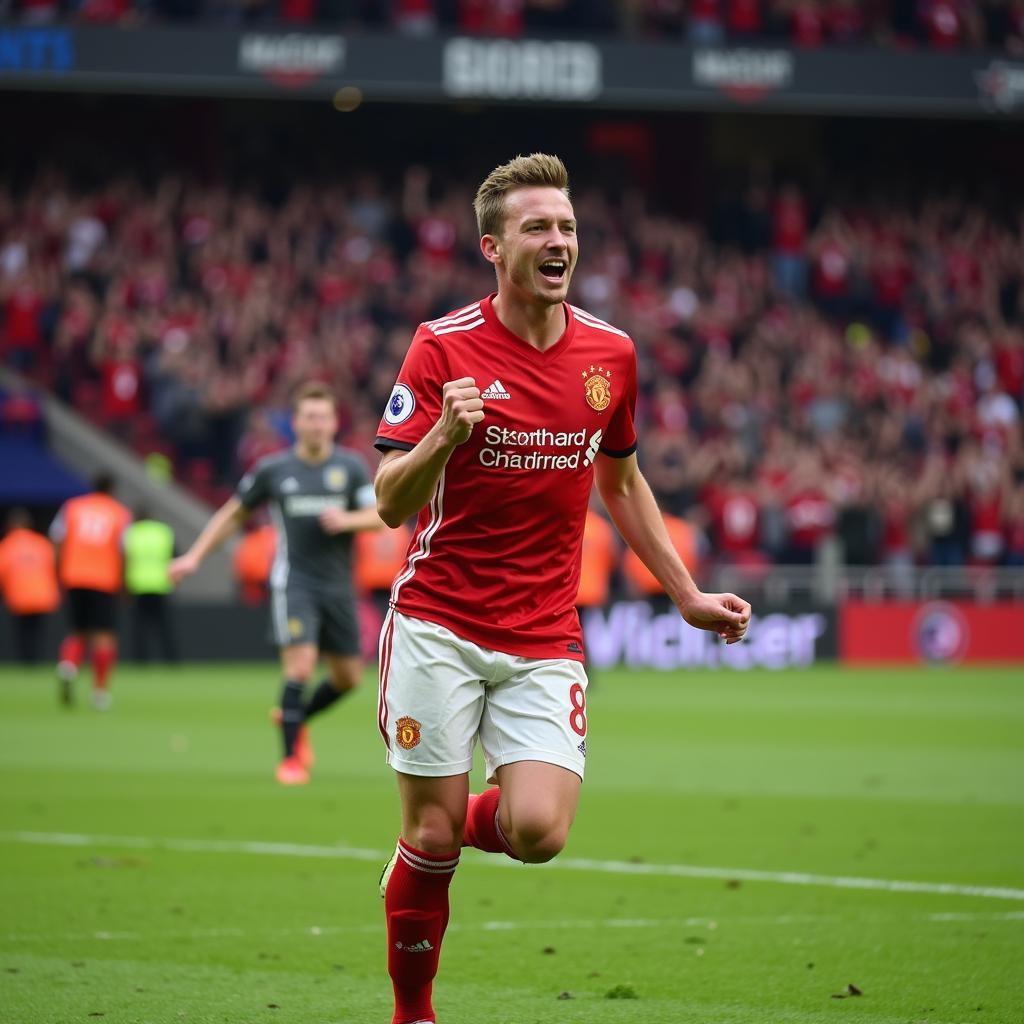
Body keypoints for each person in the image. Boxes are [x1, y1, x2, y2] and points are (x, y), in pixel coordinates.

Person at [373, 153, 751, 1024]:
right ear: (492, 247)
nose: (558, 241)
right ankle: (413, 1011)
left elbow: (621, 480)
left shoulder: (610, 353)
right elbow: (392, 503)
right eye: (538, 227)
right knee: (430, 839)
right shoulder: (443, 344)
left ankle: (439, 821)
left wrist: (686, 594)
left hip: (544, 629)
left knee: (538, 832)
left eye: (568, 227)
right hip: (439, 621)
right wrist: (441, 437)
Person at [169, 381, 383, 785]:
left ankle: (294, 716)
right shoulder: (274, 469)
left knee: (348, 678)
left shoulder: (351, 466)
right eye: (309, 417)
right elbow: (233, 514)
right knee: (299, 667)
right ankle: (289, 761)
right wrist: (194, 557)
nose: (316, 424)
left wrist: (347, 520)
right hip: (295, 583)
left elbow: (380, 516)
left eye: (323, 417)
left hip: (339, 587)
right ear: (295, 423)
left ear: (335, 422)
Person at [50, 474, 132, 710]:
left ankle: (68, 665)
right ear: (112, 489)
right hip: (104, 580)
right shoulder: (119, 513)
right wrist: (124, 584)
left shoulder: (72, 508)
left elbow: (57, 539)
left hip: (74, 576)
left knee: (78, 631)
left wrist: (59, 572)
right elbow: (123, 550)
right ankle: (99, 693)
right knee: (104, 637)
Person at [0, 508, 60, 664]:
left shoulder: (7, 545)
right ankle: (35, 660)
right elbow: (54, 566)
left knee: (22, 632)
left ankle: (26, 661)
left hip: (18, 595)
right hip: (42, 594)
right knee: (37, 631)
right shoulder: (41, 542)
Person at [123, 507, 179, 663]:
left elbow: (124, 559)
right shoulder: (163, 531)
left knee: (140, 627)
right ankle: (171, 660)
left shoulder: (131, 533)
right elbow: (174, 556)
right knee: (164, 627)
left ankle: (140, 661)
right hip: (160, 584)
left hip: (138, 585)